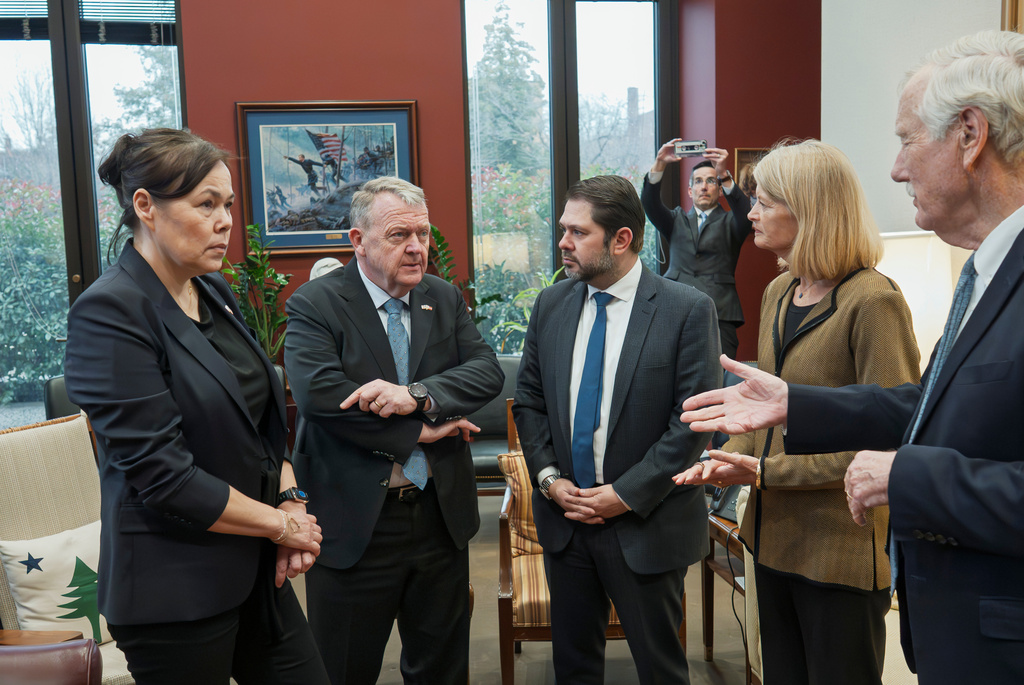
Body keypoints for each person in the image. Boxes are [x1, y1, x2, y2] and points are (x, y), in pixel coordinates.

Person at [679, 31, 1024, 684]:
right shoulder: (984, 271)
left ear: (971, 134)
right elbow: (925, 406)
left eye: (905, 140)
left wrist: (905, 476)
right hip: (916, 613)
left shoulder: (878, 297)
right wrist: (789, 407)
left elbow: (920, 441)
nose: (895, 168)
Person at [64, 128, 329, 684]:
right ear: (146, 207)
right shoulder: (109, 313)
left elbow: (261, 427)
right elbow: (163, 477)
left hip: (256, 573)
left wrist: (291, 498)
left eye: (227, 204)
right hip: (174, 589)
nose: (225, 220)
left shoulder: (212, 290)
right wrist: (282, 527)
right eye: (205, 204)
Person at [674, 140, 921, 685]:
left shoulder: (872, 301)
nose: (751, 212)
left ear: (809, 210)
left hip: (840, 550)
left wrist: (764, 472)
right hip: (771, 541)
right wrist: (725, 456)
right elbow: (765, 413)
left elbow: (894, 436)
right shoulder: (779, 292)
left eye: (763, 201)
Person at [284, 176, 504, 684]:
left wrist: (418, 395)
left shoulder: (442, 297)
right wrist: (417, 435)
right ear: (357, 241)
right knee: (343, 668)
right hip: (356, 522)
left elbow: (485, 371)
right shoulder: (316, 303)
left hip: (439, 517)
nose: (416, 247)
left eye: (423, 235)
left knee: (441, 669)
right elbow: (321, 398)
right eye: (399, 234)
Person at [513, 175, 720, 684]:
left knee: (661, 670)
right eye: (563, 229)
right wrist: (547, 479)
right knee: (574, 669)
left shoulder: (687, 310)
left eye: (577, 232)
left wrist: (623, 495)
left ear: (621, 239)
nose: (563, 242)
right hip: (566, 522)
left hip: (645, 525)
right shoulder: (552, 304)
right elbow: (530, 403)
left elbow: (691, 426)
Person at [642, 143, 753, 358]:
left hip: (720, 313)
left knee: (719, 378)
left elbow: (744, 211)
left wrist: (723, 173)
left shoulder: (732, 222)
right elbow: (650, 203)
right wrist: (660, 163)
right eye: (698, 181)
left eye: (711, 181)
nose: (704, 187)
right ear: (690, 191)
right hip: (674, 309)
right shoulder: (675, 220)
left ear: (720, 190)